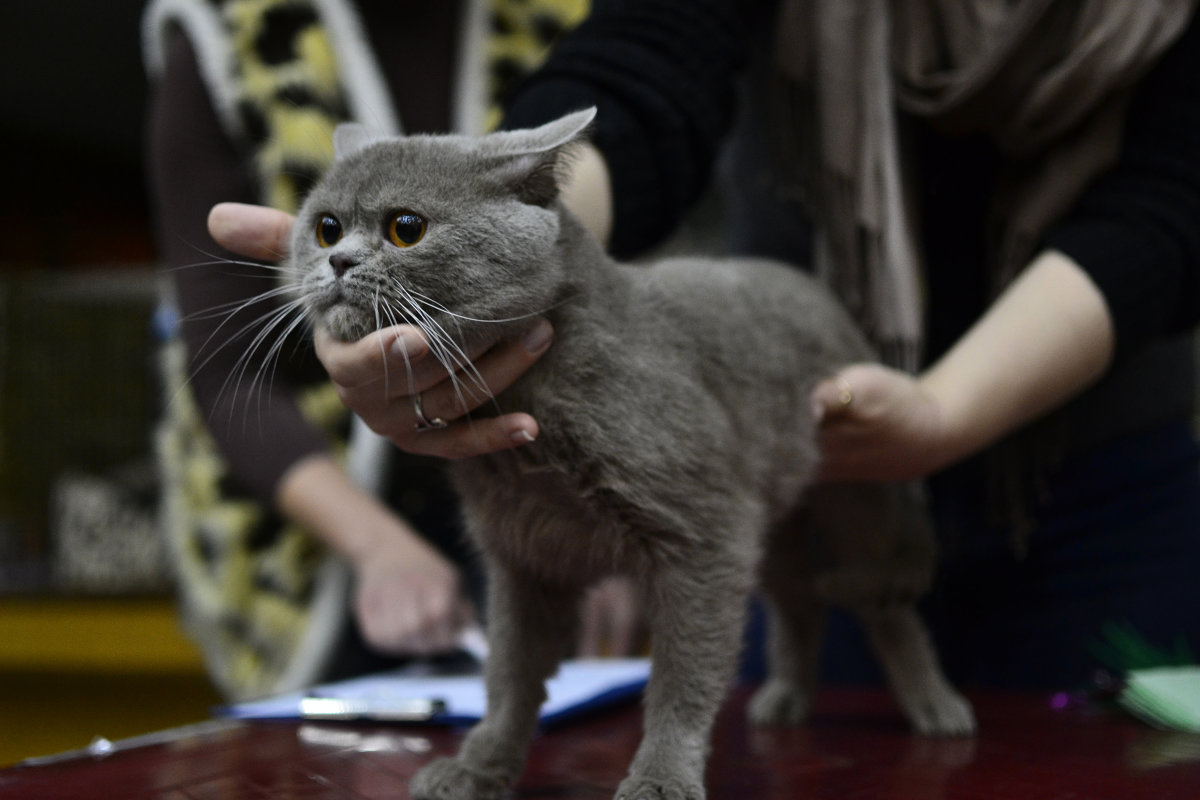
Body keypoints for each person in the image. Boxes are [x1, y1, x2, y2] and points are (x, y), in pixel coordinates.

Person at [208, 0, 1200, 690]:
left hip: (1112, 500)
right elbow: (644, 74)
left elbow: (1168, 205)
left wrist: (947, 412)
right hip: (802, 483)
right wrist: (494, 264)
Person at [143, 0, 640, 701]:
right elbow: (227, 375)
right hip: (308, 524)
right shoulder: (224, 37)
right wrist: (377, 547)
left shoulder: (556, 24)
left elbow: (601, 314)